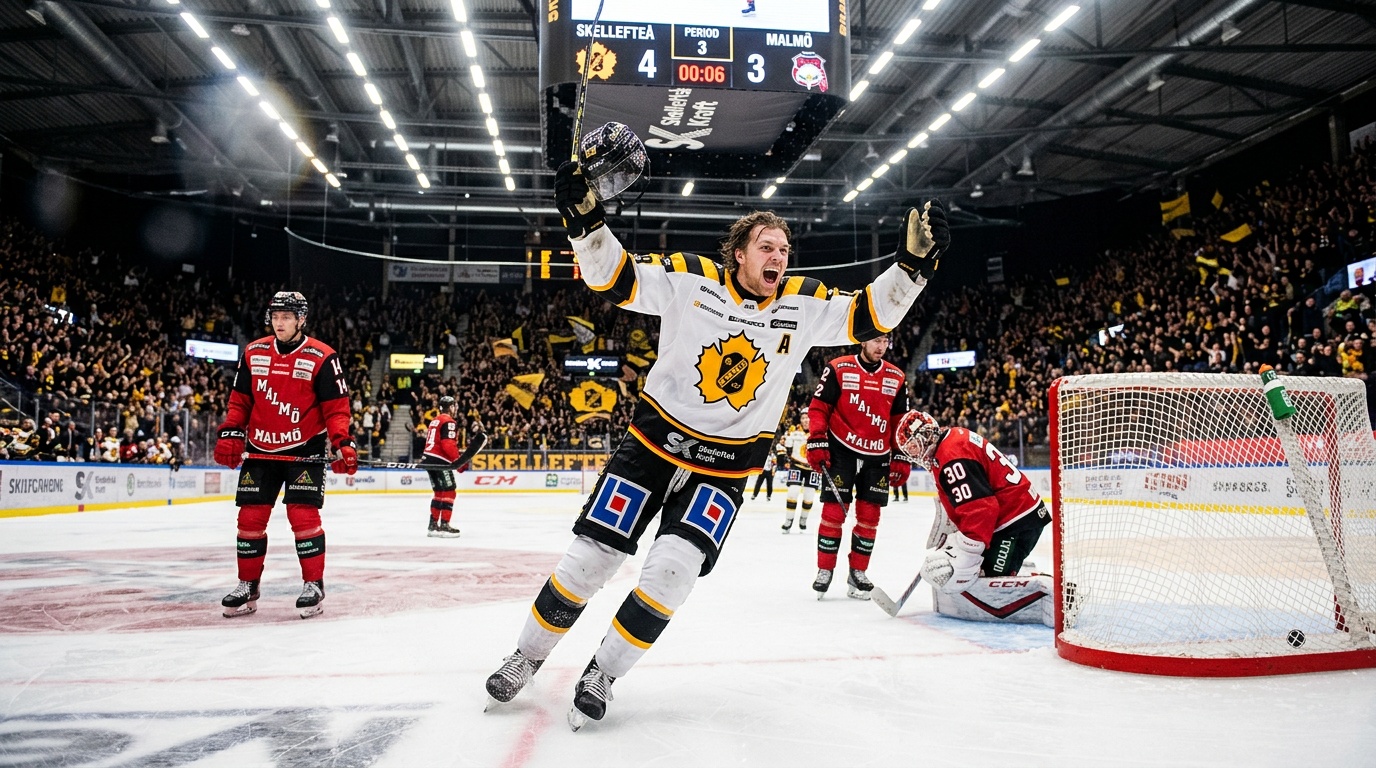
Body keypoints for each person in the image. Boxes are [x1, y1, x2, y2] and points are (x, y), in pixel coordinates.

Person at [483, 158, 949, 730]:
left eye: (783, 249)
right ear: (739, 254)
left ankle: (603, 672)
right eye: (766, 247)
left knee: (671, 577)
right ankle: (524, 657)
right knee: (589, 562)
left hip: (724, 472)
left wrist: (914, 264)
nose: (779, 257)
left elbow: (869, 314)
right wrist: (586, 224)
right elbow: (618, 280)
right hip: (650, 450)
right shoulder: (691, 277)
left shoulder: (801, 304)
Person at [212, 291, 357, 619]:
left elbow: (336, 409)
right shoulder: (254, 352)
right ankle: (247, 585)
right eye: (276, 316)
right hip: (260, 449)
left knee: (303, 517)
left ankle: (313, 585)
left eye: (287, 317)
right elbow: (240, 401)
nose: (280, 322)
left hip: (304, 448)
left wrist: (342, 442)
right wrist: (232, 431)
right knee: (249, 520)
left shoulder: (322, 356)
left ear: (301, 319)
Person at [895, 410, 1053, 626]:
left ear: (924, 436)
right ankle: (1015, 566)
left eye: (913, 447)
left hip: (1016, 522)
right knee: (976, 571)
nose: (914, 456)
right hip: (1012, 517)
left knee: (986, 580)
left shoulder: (951, 456)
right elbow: (966, 500)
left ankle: (1049, 593)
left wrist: (968, 550)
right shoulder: (950, 442)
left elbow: (981, 509)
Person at [806, 334, 911, 599]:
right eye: (876, 341)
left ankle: (858, 572)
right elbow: (819, 408)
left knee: (869, 518)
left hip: (878, 456)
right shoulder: (839, 367)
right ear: (862, 341)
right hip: (841, 450)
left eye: (886, 342)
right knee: (833, 514)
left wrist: (901, 455)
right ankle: (825, 570)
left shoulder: (897, 376)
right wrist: (817, 441)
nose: (881, 347)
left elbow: (901, 420)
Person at [420, 395, 469, 538]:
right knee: (449, 492)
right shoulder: (449, 421)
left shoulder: (435, 420)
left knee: (439, 492)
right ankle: (444, 525)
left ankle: (433, 526)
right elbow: (448, 444)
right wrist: (458, 462)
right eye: (455, 406)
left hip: (429, 459)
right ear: (452, 407)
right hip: (441, 461)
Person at [780, 414, 818, 532]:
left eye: (808, 417)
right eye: (803, 418)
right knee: (792, 493)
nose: (806, 420)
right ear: (800, 420)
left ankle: (803, 520)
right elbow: (783, 446)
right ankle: (788, 520)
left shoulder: (819, 433)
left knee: (809, 496)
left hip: (813, 468)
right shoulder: (793, 433)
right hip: (796, 465)